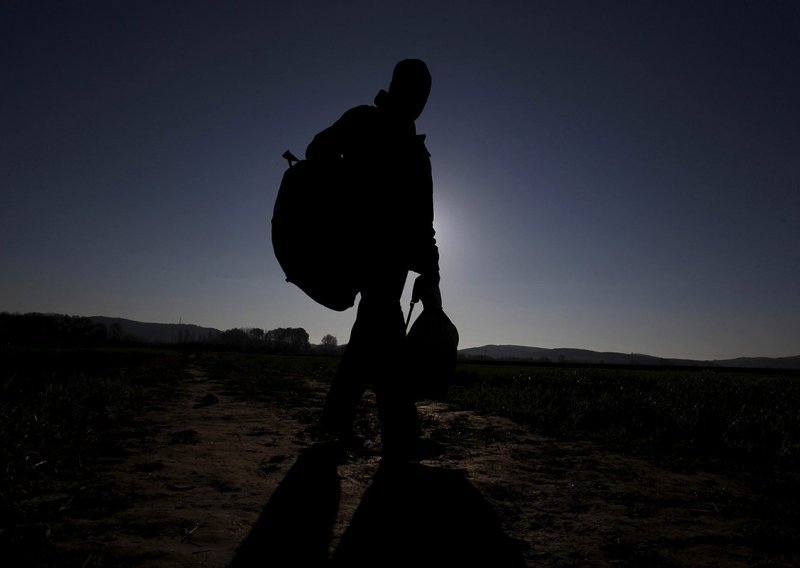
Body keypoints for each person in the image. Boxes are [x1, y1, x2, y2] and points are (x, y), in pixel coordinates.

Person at [306, 59, 442, 463]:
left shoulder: (418, 152)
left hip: (394, 261)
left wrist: (430, 271)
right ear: (398, 87)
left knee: (372, 338)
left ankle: (336, 425)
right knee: (385, 337)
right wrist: (348, 189)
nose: (419, 101)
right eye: (415, 91)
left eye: (425, 95)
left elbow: (424, 222)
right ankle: (400, 439)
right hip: (362, 253)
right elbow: (318, 153)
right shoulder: (364, 122)